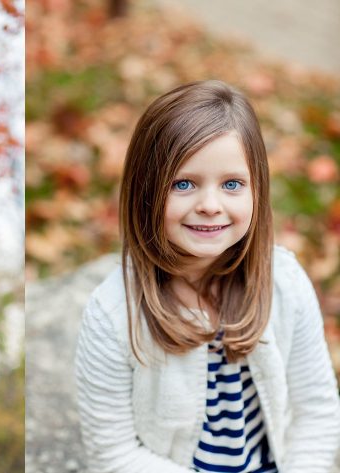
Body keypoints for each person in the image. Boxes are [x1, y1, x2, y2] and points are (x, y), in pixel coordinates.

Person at [75, 80, 340, 472]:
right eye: (184, 184)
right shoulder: (112, 315)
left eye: (232, 184)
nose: (211, 206)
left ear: (257, 190)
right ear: (146, 192)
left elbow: (316, 409)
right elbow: (113, 455)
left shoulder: (285, 282)